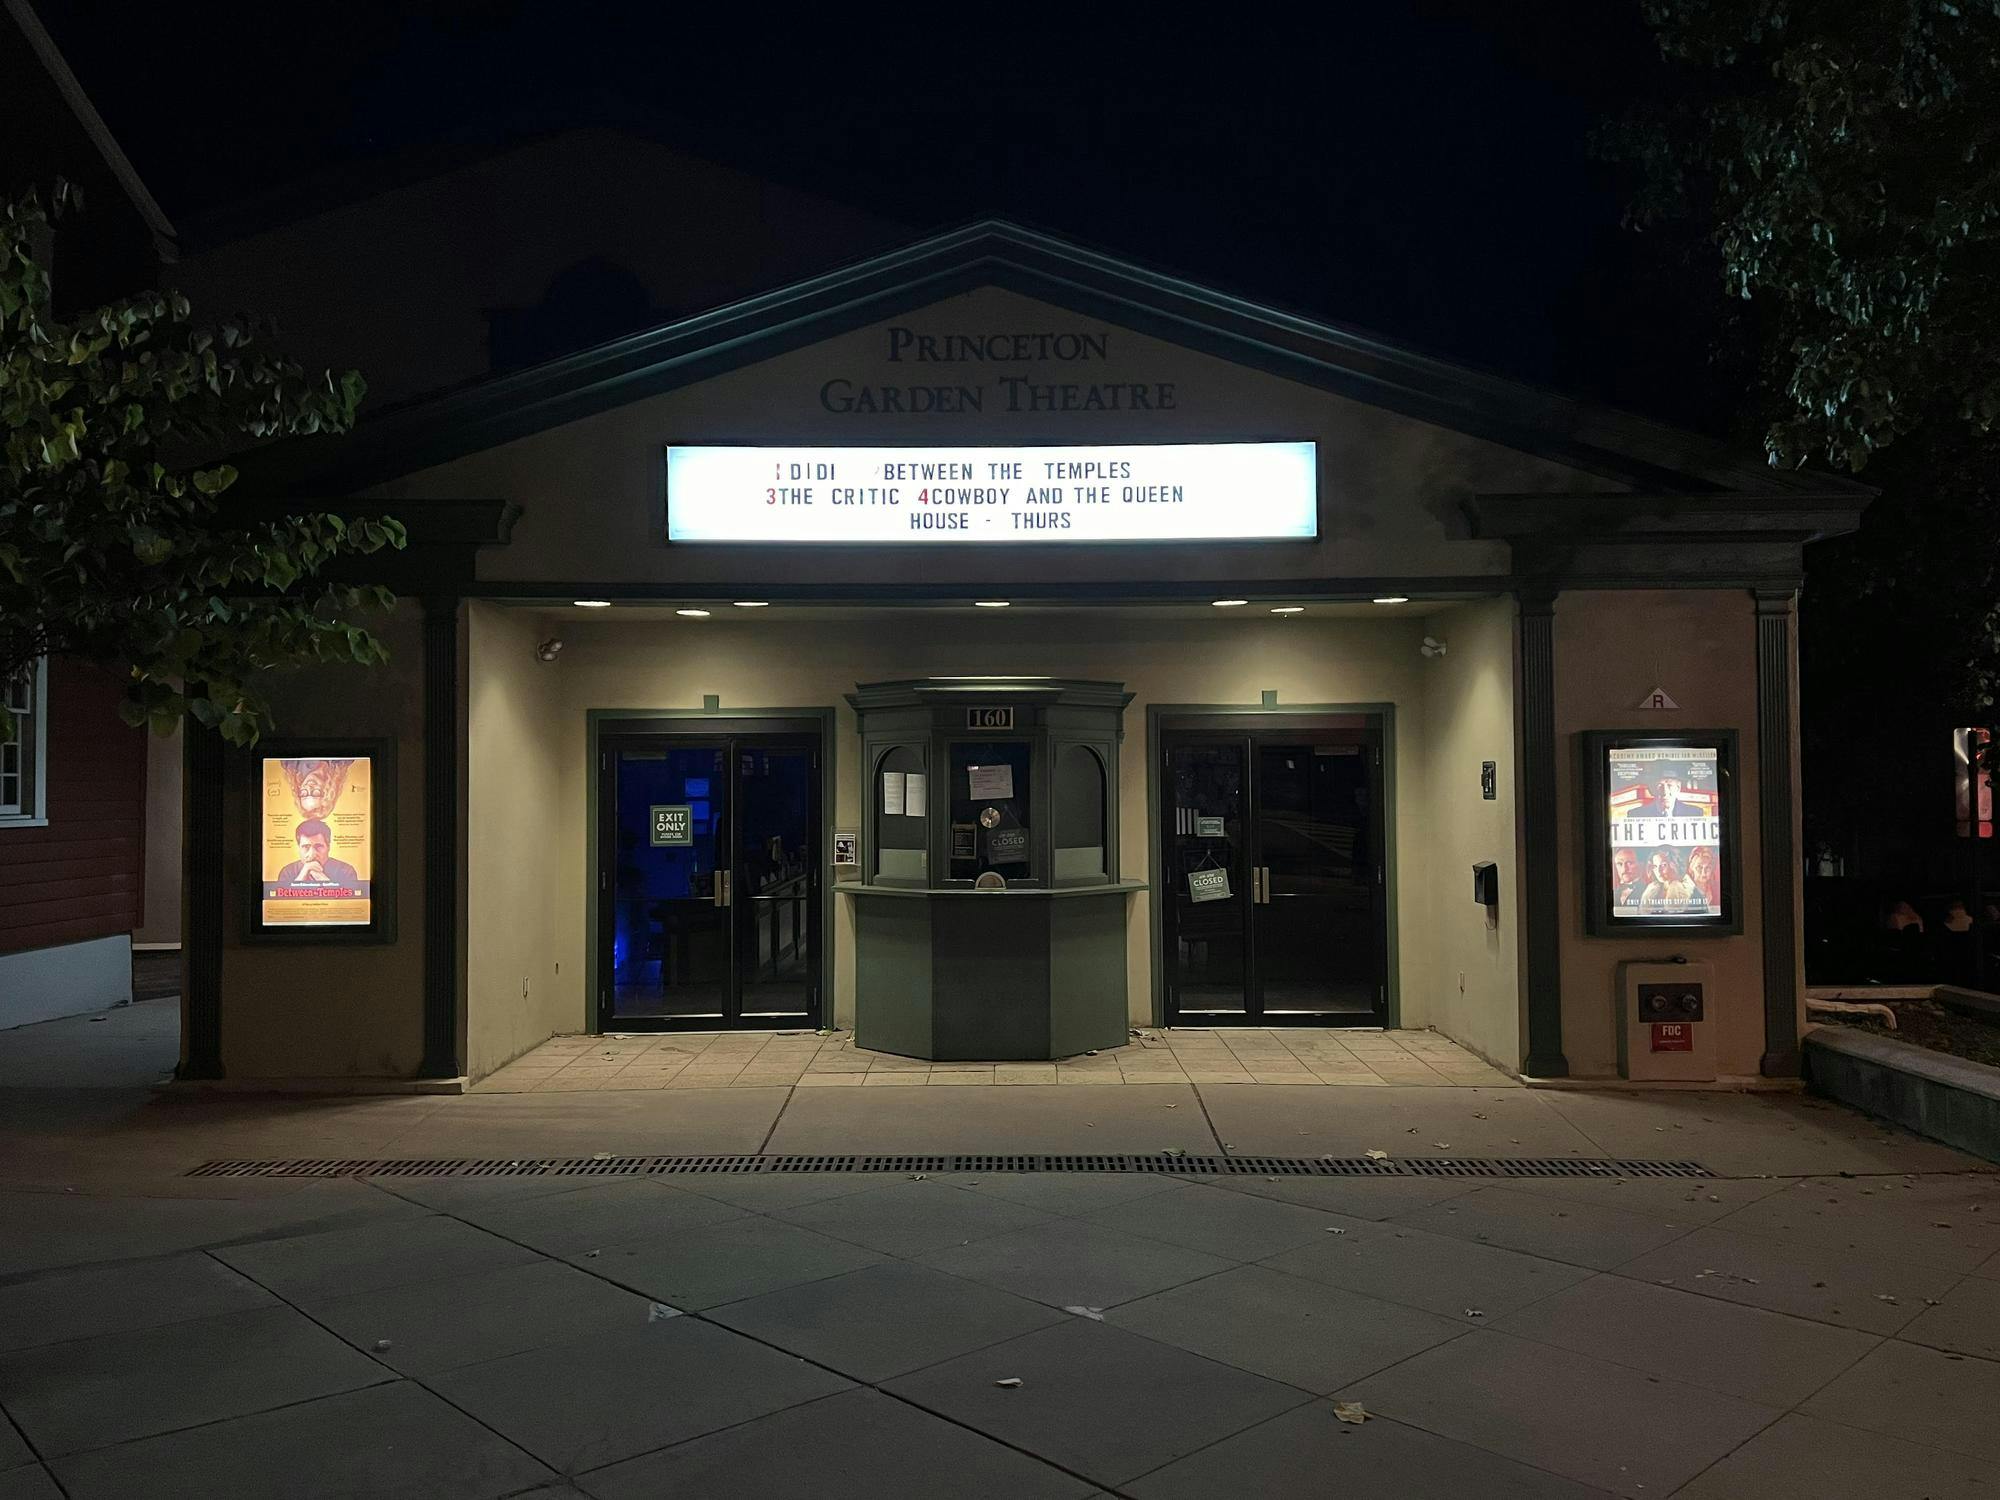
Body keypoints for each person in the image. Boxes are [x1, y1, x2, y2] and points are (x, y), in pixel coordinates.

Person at [277, 819, 360, 887]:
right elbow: (283, 903)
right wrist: (302, 876)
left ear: (328, 847)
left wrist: (321, 878)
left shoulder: (346, 871)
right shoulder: (287, 872)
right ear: (299, 848)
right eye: (306, 847)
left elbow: (348, 903)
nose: (312, 854)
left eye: (318, 846)